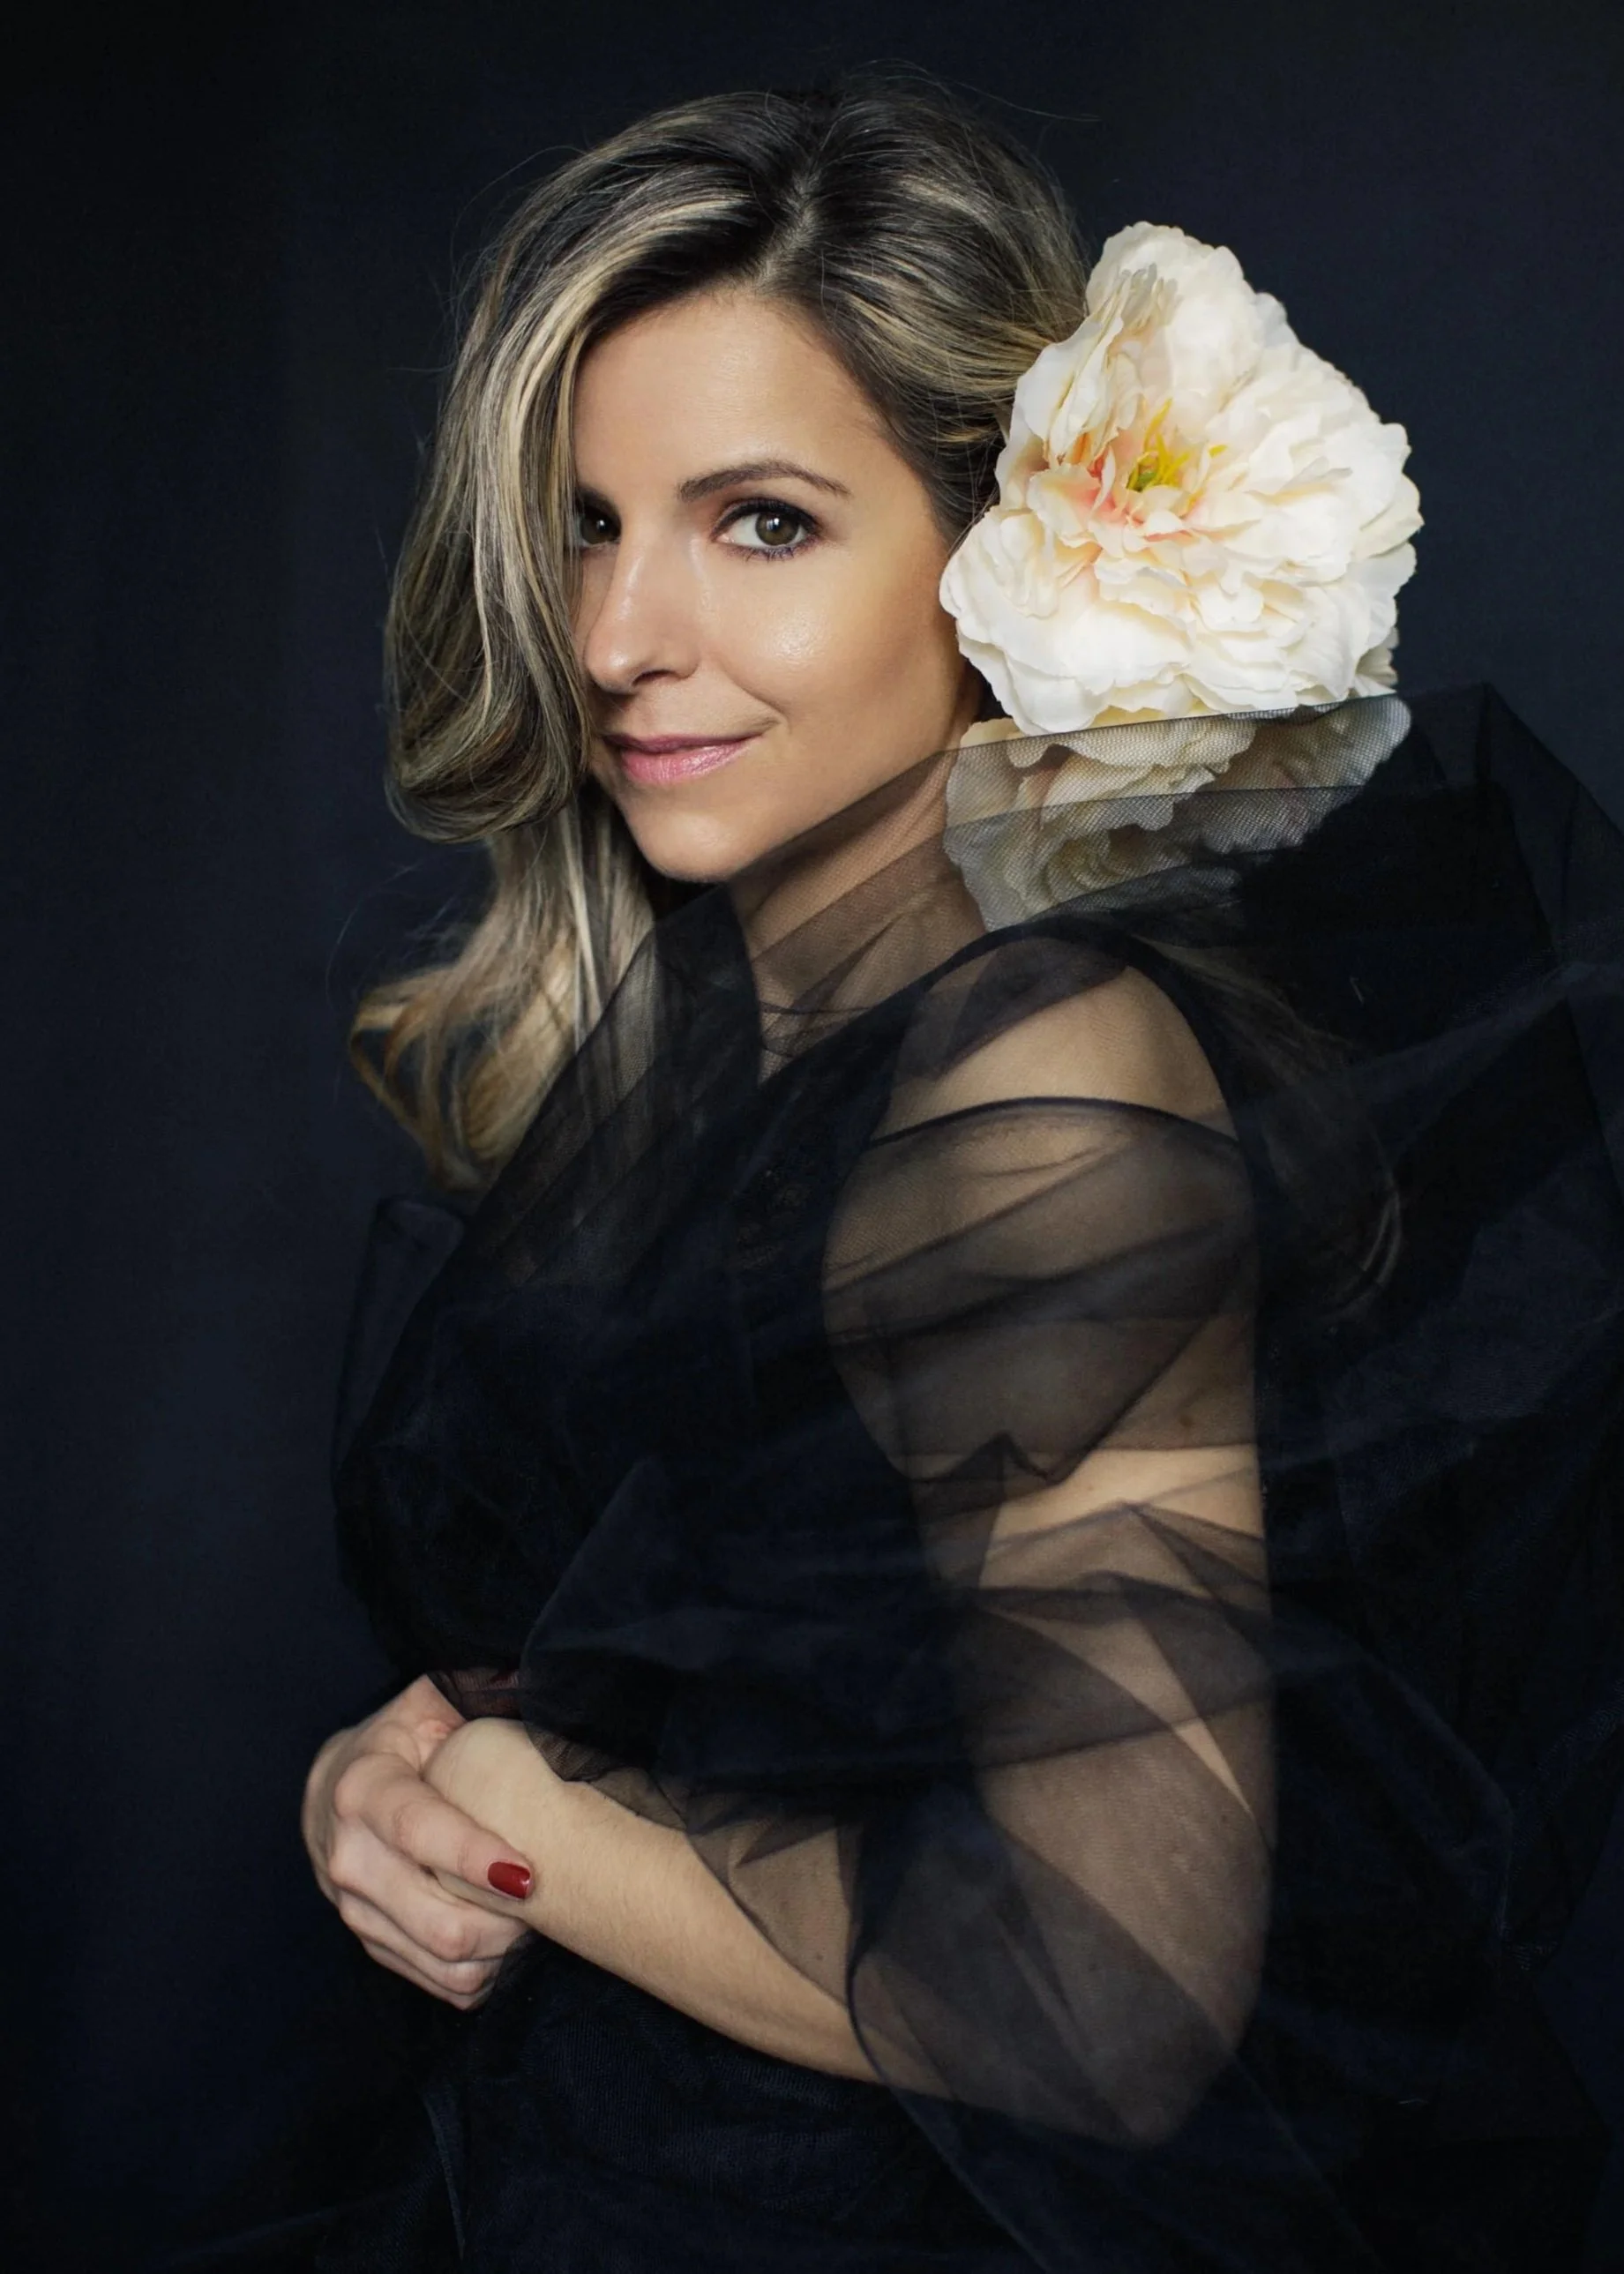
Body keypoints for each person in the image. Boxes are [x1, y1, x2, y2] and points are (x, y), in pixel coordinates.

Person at [300, 82, 1624, 2271]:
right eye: (582, 523)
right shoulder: (763, 1028)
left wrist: (539, 1835)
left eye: (758, 524)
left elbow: (1112, 1989)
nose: (620, 635)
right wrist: (411, 1774)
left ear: (999, 551)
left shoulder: (1036, 1079)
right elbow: (742, 1675)